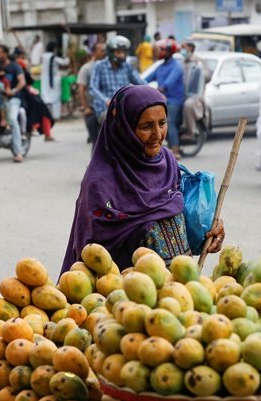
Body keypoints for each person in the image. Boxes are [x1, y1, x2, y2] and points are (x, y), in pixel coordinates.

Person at [62, 85, 225, 271]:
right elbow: (92, 255)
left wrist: (209, 230)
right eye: (146, 126)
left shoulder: (167, 161)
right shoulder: (100, 183)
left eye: (162, 123)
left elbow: (180, 221)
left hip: (181, 290)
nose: (157, 135)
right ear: (124, 129)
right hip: (131, 293)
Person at [88, 35, 145, 125]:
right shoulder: (100, 66)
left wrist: (152, 92)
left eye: (124, 52)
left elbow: (140, 82)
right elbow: (93, 87)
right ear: (110, 52)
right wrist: (107, 100)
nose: (122, 55)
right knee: (115, 122)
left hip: (125, 107)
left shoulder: (127, 66)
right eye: (118, 52)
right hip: (105, 109)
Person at [145, 39, 184, 158]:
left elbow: (168, 84)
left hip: (174, 100)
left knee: (169, 121)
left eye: (162, 50)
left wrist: (157, 90)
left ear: (169, 51)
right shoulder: (161, 67)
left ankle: (175, 150)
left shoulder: (177, 66)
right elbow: (146, 79)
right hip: (162, 100)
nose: (159, 52)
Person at [0, 44, 27, 163]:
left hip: (13, 99)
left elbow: (22, 81)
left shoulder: (15, 66)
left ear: (6, 53)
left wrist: (13, 91)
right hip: (0, 98)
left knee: (12, 119)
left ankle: (18, 152)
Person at [77, 42, 106, 145]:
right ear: (94, 53)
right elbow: (81, 89)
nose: (104, 53)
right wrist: (86, 107)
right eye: (101, 50)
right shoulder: (87, 69)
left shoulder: (109, 67)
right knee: (96, 141)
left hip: (107, 106)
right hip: (93, 107)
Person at [181, 42, 207, 138]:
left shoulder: (198, 61)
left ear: (191, 48)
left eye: (184, 47)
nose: (182, 49)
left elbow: (207, 76)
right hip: (185, 93)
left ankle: (192, 131)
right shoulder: (184, 61)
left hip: (196, 96)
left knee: (188, 105)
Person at [40, 41, 70, 125]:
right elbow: (65, 62)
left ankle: (47, 115)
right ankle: (55, 116)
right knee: (56, 99)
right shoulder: (53, 57)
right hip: (53, 80)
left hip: (45, 80)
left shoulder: (43, 56)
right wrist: (67, 57)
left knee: (46, 98)